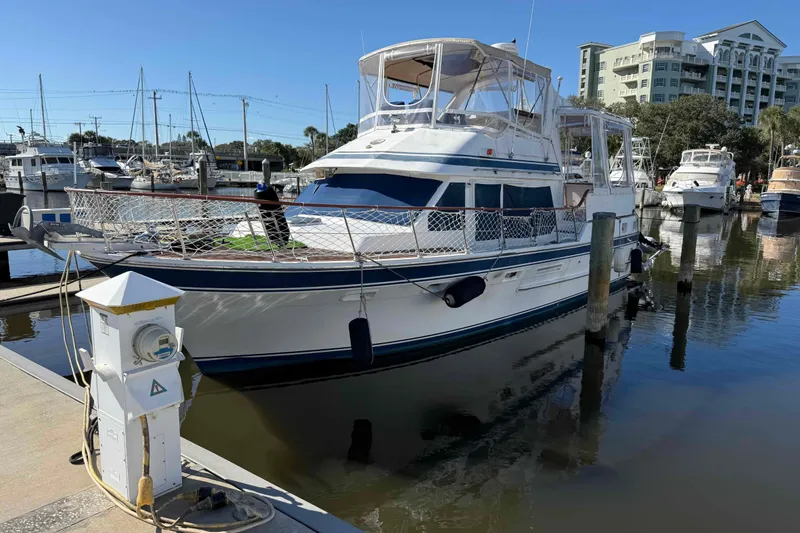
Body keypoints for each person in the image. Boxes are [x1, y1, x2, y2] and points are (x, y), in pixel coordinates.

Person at [254, 175, 291, 245]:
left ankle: (274, 240)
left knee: (271, 222)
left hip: (270, 227)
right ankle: (280, 240)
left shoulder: (258, 196)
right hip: (281, 230)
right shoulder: (270, 193)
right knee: (277, 221)